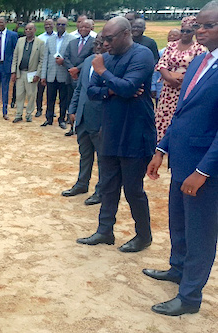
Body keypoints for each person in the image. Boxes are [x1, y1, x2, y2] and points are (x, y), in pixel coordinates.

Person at [144, 1, 218, 316]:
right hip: (181, 161)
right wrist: (162, 150)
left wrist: (203, 171)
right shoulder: (201, 60)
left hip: (204, 169)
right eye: (197, 25)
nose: (199, 31)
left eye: (207, 25)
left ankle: (189, 298)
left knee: (201, 231)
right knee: (179, 222)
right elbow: (181, 112)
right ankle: (177, 269)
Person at [77, 16, 156, 252]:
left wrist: (104, 73)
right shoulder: (108, 58)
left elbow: (130, 87)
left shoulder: (141, 55)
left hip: (135, 131)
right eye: (103, 39)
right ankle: (104, 231)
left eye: (109, 38)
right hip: (110, 129)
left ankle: (144, 235)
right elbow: (92, 90)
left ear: (125, 34)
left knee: (133, 189)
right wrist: (113, 89)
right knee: (108, 184)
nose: (106, 43)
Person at [62, 33, 105, 206]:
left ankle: (101, 191)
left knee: (103, 159)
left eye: (102, 43)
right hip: (82, 118)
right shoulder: (88, 62)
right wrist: (72, 110)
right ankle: (82, 184)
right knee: (85, 154)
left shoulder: (111, 64)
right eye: (97, 43)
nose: (98, 46)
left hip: (101, 120)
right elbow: (79, 88)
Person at [154, 17, 205, 142]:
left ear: (194, 32)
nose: (185, 34)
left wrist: (182, 79)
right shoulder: (171, 46)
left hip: (186, 90)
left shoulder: (199, 48)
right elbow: (162, 64)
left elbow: (199, 69)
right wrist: (169, 78)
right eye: (183, 31)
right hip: (168, 90)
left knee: (182, 117)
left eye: (188, 31)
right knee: (164, 119)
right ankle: (162, 146)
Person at [40, 17, 75, 129]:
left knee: (63, 99)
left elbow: (71, 58)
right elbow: (46, 58)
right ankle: (48, 118)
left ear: (66, 25)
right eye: (58, 24)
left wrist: (64, 62)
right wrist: (43, 75)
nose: (60, 26)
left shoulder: (71, 39)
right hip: (51, 74)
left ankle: (62, 120)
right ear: (55, 25)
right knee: (50, 97)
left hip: (63, 74)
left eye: (63, 24)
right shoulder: (50, 39)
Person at [63, 19, 96, 136]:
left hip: (84, 78)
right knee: (71, 101)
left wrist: (77, 69)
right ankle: (71, 127)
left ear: (91, 28)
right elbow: (65, 57)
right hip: (71, 77)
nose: (83, 29)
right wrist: (72, 69)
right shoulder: (72, 42)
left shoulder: (94, 42)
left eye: (86, 27)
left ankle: (82, 126)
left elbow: (92, 58)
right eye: (81, 27)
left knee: (82, 102)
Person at [10, 23, 45, 123]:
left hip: (32, 73)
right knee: (19, 94)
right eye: (26, 29)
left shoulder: (40, 43)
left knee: (31, 95)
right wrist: (13, 71)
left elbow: (41, 60)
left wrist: (38, 74)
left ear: (34, 30)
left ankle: (29, 114)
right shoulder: (20, 41)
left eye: (30, 29)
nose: (28, 31)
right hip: (20, 73)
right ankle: (18, 114)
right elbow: (15, 56)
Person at [36, 19, 55, 118]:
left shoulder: (57, 37)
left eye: (50, 24)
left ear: (53, 25)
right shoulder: (40, 38)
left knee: (51, 92)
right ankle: (39, 109)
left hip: (53, 69)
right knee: (39, 91)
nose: (48, 26)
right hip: (42, 67)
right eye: (46, 24)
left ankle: (50, 110)